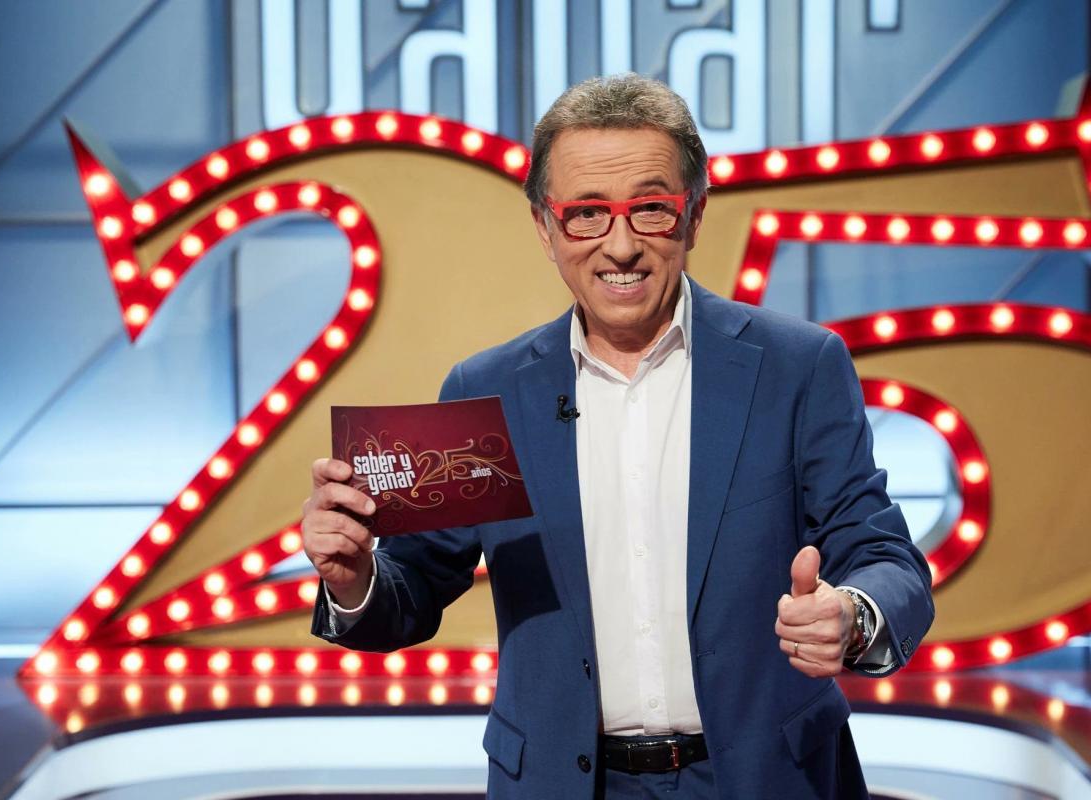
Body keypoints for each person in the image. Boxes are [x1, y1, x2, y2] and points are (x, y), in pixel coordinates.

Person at [303, 74, 934, 799]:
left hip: (766, 778)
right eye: (587, 214)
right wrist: (352, 579)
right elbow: (414, 586)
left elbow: (885, 558)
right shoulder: (488, 390)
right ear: (545, 228)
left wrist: (851, 616)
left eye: (651, 209)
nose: (622, 245)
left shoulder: (797, 366)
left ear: (694, 215)